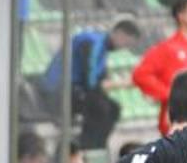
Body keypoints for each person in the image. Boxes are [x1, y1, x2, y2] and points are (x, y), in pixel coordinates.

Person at [41, 18, 141, 150]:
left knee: (114, 109)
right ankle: (85, 148)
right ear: (119, 34)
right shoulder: (92, 42)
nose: (124, 48)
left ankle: (97, 147)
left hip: (76, 88)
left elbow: (98, 78)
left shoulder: (103, 46)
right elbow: (90, 79)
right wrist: (110, 85)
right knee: (100, 107)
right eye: (126, 43)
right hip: (58, 89)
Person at [132, 0, 187, 136]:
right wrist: (169, 95)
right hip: (175, 120)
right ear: (181, 16)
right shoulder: (167, 48)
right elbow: (140, 75)